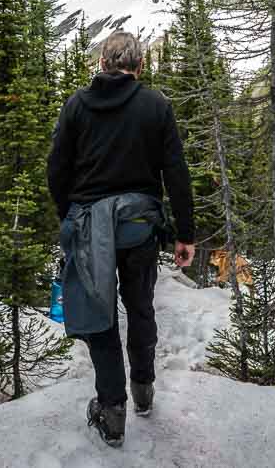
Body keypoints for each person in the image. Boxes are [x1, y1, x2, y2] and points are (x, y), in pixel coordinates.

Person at [47, 31, 195, 448]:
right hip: (138, 228)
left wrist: (70, 216)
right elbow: (176, 173)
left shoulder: (77, 105)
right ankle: (144, 390)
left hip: (90, 226)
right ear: (139, 67)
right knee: (141, 306)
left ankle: (112, 412)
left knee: (100, 315)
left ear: (101, 64)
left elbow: (56, 169)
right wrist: (186, 234)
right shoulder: (156, 105)